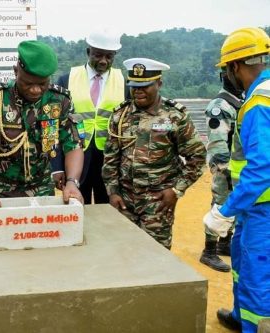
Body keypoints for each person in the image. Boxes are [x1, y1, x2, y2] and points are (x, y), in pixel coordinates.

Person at [0, 40, 85, 223]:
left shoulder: (59, 100)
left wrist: (72, 182)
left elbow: (74, 145)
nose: (36, 90)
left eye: (42, 84)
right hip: (0, 191)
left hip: (42, 189)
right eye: (28, 83)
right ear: (16, 71)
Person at [203, 27, 270, 333]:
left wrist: (223, 211)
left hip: (261, 207)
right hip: (251, 207)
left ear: (234, 66)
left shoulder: (258, 104)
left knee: (257, 275)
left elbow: (261, 170)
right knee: (243, 264)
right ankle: (240, 316)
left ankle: (253, 327)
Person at [102, 58, 206, 249]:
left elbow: (197, 157)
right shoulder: (120, 115)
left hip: (158, 201)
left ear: (159, 83)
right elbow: (110, 158)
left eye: (145, 86)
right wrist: (113, 191)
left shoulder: (175, 116)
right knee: (123, 252)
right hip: (125, 200)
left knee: (157, 256)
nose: (138, 91)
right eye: (134, 86)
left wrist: (176, 190)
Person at [50, 30, 125, 203]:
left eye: (109, 56)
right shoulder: (65, 80)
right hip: (73, 158)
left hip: (109, 161)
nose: (103, 61)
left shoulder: (124, 83)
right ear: (88, 52)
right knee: (74, 208)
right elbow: (52, 125)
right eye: (98, 55)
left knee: (107, 213)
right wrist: (56, 166)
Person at [200, 69, 243, 272]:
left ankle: (225, 243)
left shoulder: (238, 101)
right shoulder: (220, 106)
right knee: (220, 204)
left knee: (234, 204)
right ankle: (209, 251)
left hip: (236, 166)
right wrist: (226, 171)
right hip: (224, 167)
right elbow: (218, 144)